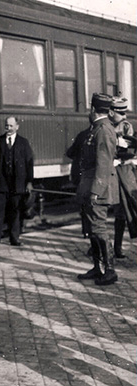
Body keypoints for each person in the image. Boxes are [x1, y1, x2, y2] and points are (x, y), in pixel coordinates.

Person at [77, 93, 119, 286]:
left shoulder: (103, 130)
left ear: (93, 109)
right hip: (90, 186)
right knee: (92, 229)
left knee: (99, 228)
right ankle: (98, 267)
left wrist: (95, 191)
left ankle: (109, 270)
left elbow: (103, 164)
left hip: (97, 188)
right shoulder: (98, 129)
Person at [0, 116, 34, 247]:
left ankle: (15, 238)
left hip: (17, 184)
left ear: (17, 127)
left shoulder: (23, 143)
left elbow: (29, 163)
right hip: (1, 183)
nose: (8, 128)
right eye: (6, 125)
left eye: (11, 126)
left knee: (15, 212)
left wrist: (29, 182)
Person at [109, 96, 137, 259]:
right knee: (119, 212)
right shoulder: (107, 126)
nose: (124, 116)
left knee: (132, 206)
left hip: (126, 171)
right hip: (113, 172)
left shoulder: (126, 126)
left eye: (124, 112)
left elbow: (130, 149)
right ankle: (117, 248)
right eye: (121, 113)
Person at [66, 125, 93, 239]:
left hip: (80, 174)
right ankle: (91, 231)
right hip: (92, 175)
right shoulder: (101, 133)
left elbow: (70, 153)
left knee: (84, 204)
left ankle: (86, 231)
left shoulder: (82, 134)